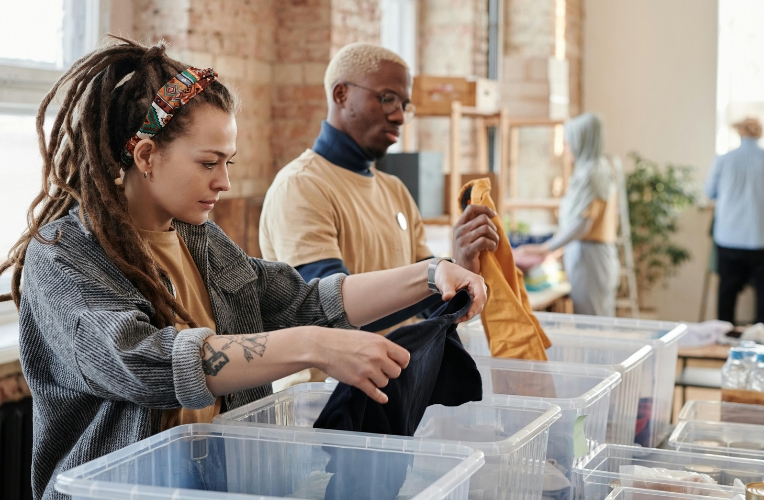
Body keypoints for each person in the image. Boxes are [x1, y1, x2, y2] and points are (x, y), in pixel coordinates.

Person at [0, 38, 486, 500]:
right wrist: (311, 345)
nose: (225, 182)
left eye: (228, 162)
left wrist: (430, 276)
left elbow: (299, 301)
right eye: (210, 162)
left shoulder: (197, 237)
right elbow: (144, 362)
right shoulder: (63, 257)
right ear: (146, 155)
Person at [259, 44, 498, 378]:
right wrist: (435, 272)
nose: (399, 116)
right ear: (341, 94)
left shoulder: (394, 190)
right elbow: (327, 312)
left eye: (405, 105)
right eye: (387, 98)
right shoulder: (302, 186)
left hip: (388, 388)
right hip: (320, 403)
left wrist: (460, 267)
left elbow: (430, 305)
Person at [514, 113, 620, 316]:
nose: (566, 149)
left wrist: (545, 248)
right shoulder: (600, 169)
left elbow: (582, 224)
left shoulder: (591, 174)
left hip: (589, 256)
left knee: (592, 321)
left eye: (569, 143)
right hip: (595, 254)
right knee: (599, 318)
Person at [705, 117, 764, 326]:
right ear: (759, 133)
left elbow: (710, 192)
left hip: (729, 236)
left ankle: (724, 339)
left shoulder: (724, 159)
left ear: (739, 133)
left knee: (727, 292)